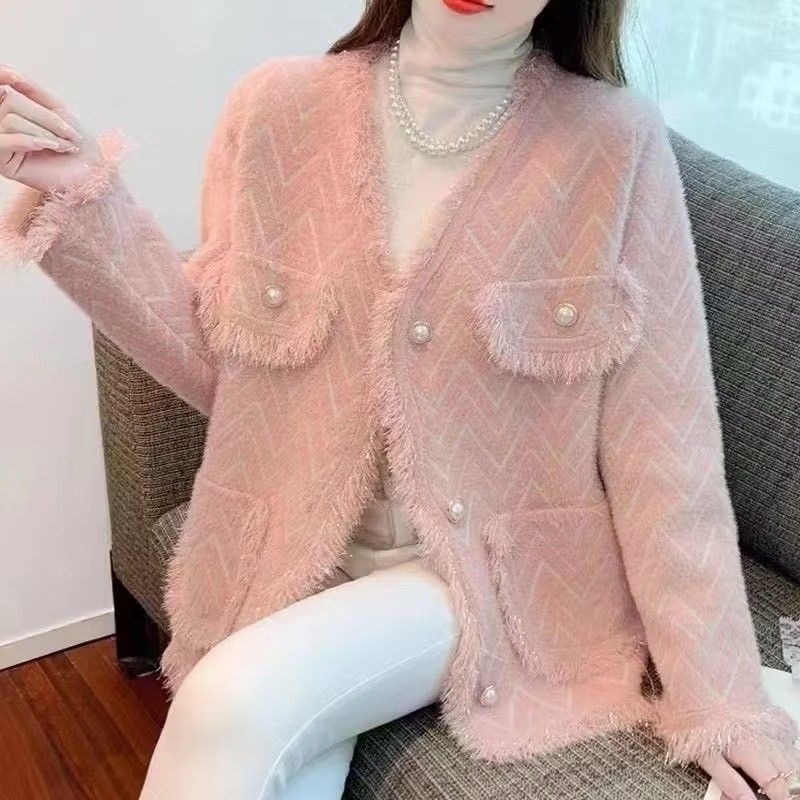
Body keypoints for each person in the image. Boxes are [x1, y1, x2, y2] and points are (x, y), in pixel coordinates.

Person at [2, 1, 799, 798]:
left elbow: (666, 445)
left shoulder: (613, 141)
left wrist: (720, 695)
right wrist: (85, 198)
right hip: (295, 556)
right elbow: (232, 371)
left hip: (490, 584)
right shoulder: (276, 107)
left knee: (231, 702)